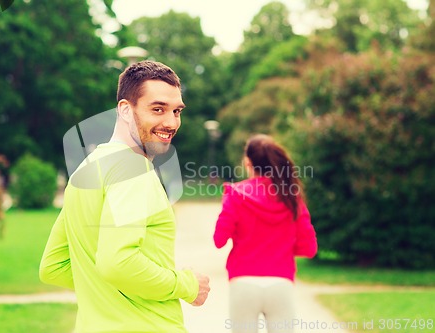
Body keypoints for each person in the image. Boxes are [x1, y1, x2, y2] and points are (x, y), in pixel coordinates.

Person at [40, 60, 210, 333]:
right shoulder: (133, 168)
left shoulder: (86, 169)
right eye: (158, 109)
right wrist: (186, 285)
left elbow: (53, 266)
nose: (171, 122)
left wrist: (114, 291)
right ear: (125, 110)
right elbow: (118, 262)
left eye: (177, 111)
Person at [214, 134, 317, 333]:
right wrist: (282, 247)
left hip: (242, 283)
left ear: (247, 162)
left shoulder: (235, 194)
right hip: (281, 283)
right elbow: (309, 248)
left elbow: (219, 239)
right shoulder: (291, 196)